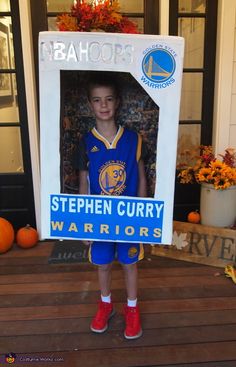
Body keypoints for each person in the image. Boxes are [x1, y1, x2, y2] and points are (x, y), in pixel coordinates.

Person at [74, 72, 147, 339]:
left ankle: (132, 308)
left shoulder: (134, 140)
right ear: (89, 104)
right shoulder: (85, 142)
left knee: (129, 263)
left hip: (128, 217)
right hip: (100, 218)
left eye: (108, 99)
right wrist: (83, 223)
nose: (103, 105)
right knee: (103, 264)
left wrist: (142, 216)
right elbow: (84, 184)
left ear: (117, 102)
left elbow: (140, 178)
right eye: (97, 100)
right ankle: (105, 304)